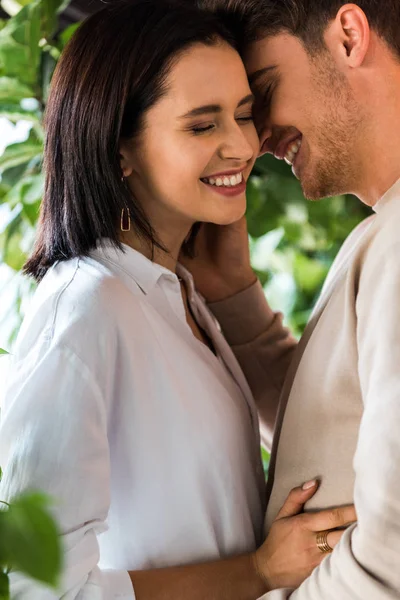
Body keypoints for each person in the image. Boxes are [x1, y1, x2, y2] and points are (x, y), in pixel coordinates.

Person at [0, 1, 356, 599]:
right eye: (202, 124)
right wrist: (259, 571)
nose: (242, 145)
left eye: (244, 115)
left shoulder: (177, 291)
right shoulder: (88, 310)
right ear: (119, 148)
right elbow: (38, 588)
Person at [187, 0, 400, 598]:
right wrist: (232, 297)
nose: (257, 135)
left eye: (262, 92)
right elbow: (341, 426)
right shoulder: (383, 232)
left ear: (350, 36)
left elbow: (392, 557)